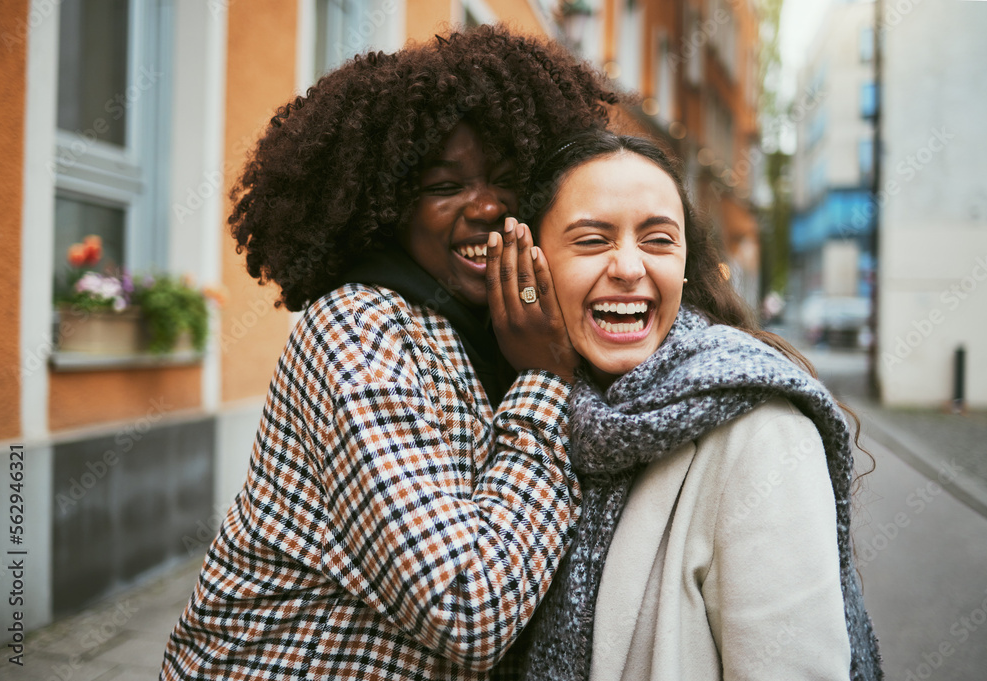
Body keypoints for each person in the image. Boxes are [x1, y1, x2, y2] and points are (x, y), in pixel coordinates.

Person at [160, 26, 617, 680]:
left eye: (507, 179)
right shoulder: (362, 331)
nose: (486, 205)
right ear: (387, 208)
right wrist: (545, 380)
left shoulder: (499, 324)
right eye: (444, 185)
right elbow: (468, 608)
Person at [493, 130, 883, 680]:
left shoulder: (762, 434)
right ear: (531, 264)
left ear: (684, 263)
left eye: (657, 240)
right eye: (591, 240)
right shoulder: (525, 413)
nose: (629, 267)